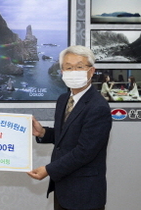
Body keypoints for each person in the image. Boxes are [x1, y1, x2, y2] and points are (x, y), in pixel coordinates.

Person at [28, 45, 112, 210]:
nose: (73, 71)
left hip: (85, 193)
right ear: (62, 71)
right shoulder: (63, 99)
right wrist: (43, 132)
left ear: (91, 71)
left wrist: (48, 170)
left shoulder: (98, 106)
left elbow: (85, 151)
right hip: (63, 188)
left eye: (79, 67)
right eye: (68, 67)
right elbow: (66, 136)